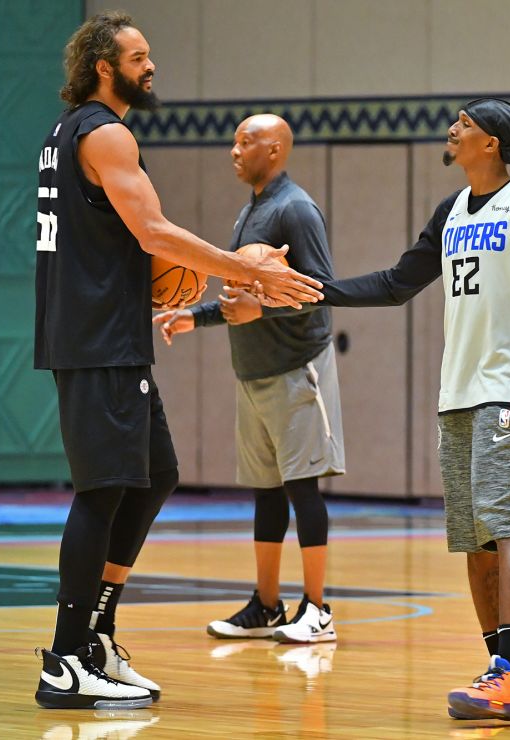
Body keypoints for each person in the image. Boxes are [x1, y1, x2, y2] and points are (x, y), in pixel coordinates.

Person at [33, 12, 323, 710]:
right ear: (104, 66)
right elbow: (154, 231)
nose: (151, 65)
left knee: (156, 471)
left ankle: (96, 633)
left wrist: (192, 287)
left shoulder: (65, 134)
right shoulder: (105, 132)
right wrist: (238, 272)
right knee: (102, 491)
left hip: (109, 334)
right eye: (138, 56)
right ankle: (66, 658)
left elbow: (139, 243)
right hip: (98, 336)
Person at [318, 98, 510, 721]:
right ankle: (498, 671)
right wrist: (315, 291)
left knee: (506, 522)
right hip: (456, 393)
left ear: (492, 143)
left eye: (465, 124)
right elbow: (398, 284)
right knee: (475, 539)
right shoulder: (450, 211)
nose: (452, 130)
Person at [153, 114, 344, 645]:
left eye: (246, 141)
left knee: (302, 487)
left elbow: (318, 290)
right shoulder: (252, 210)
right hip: (253, 370)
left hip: (297, 367)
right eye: (234, 140)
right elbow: (245, 295)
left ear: (276, 149)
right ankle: (266, 605)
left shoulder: (296, 209)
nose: (234, 150)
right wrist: (199, 316)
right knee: (265, 492)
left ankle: (318, 609)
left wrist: (259, 313)